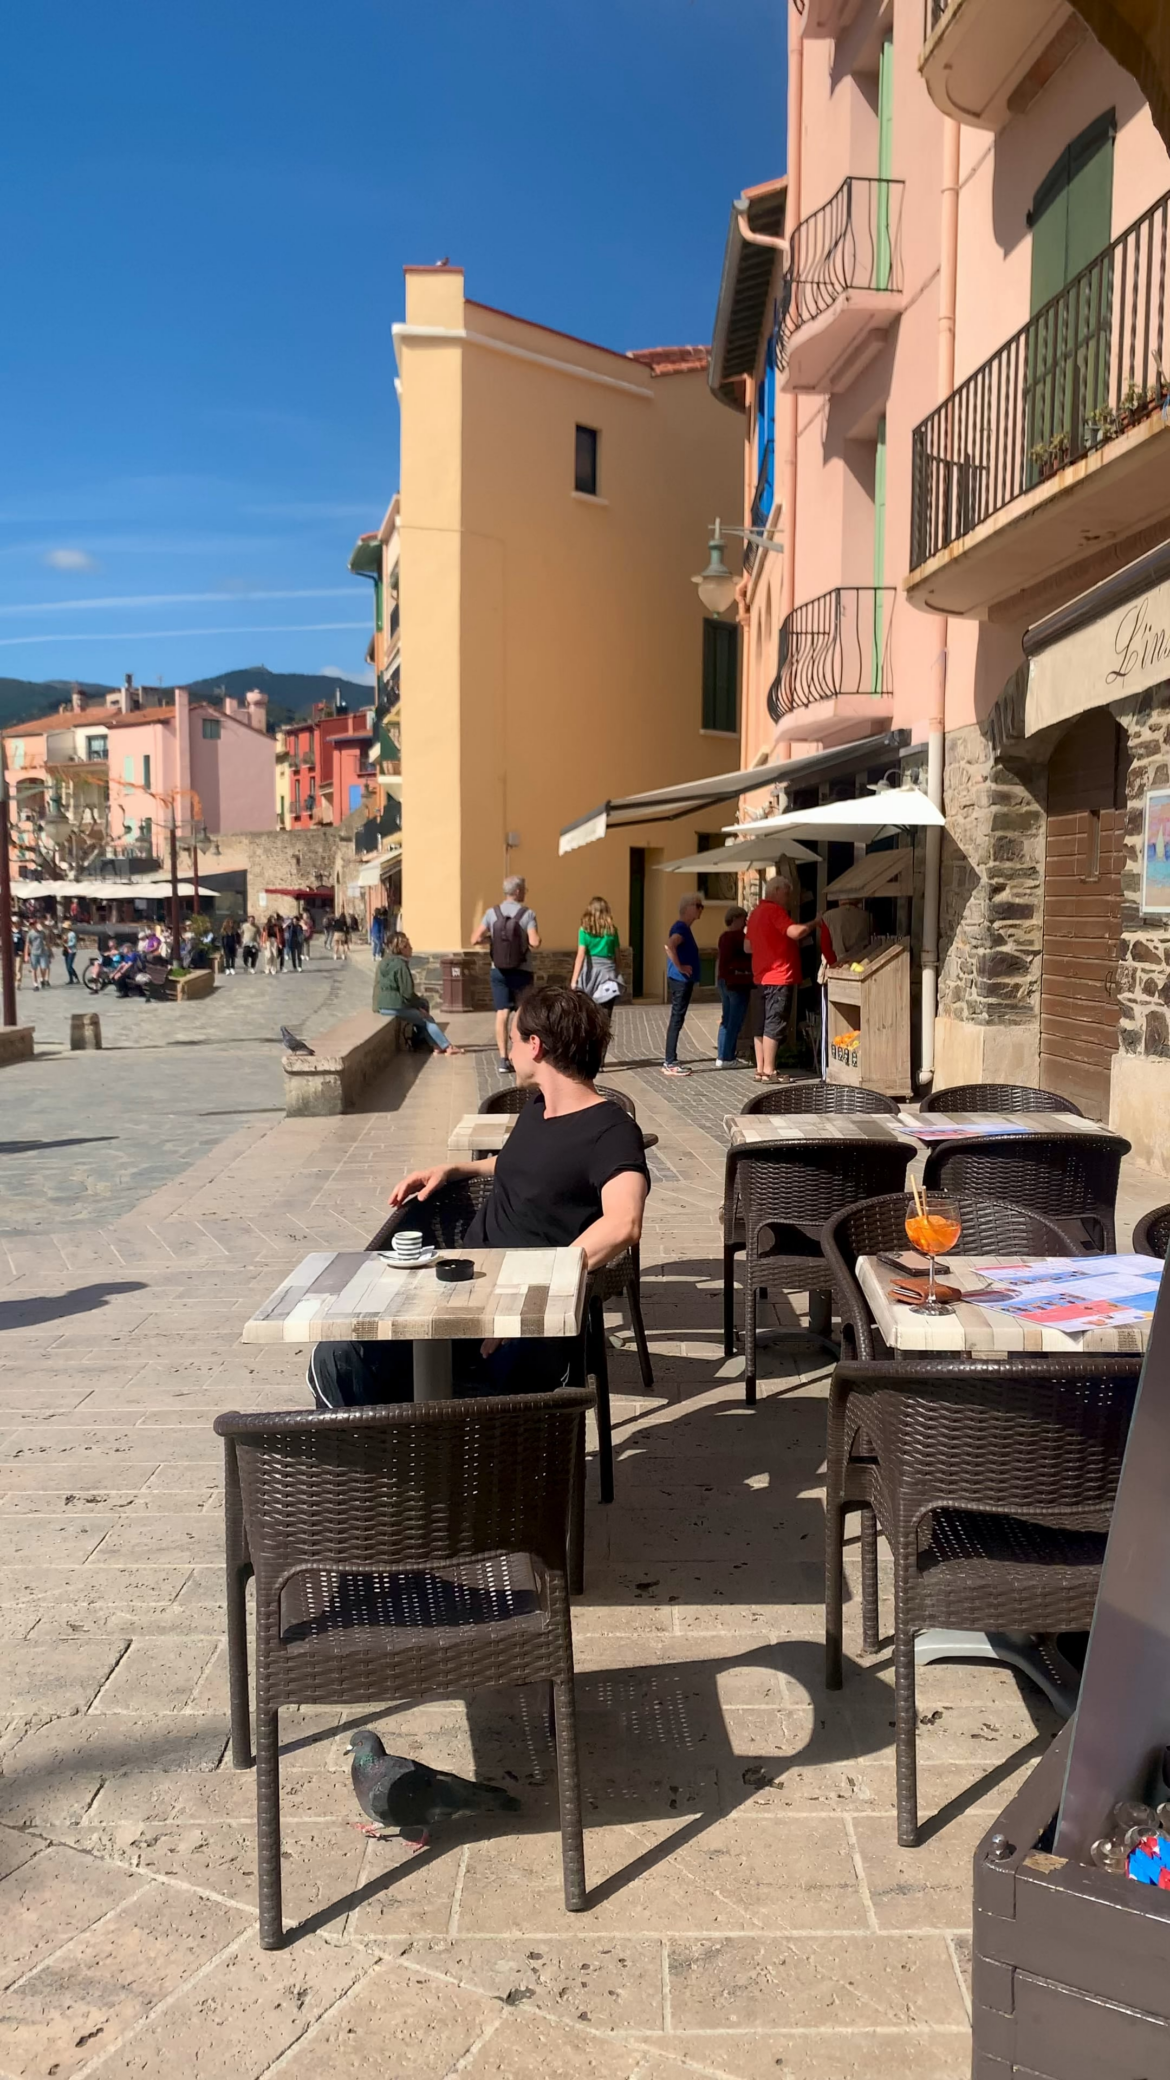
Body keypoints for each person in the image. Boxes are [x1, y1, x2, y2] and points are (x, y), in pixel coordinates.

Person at [307, 984, 649, 1409]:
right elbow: (517, 1165)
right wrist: (455, 1169)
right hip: (463, 1290)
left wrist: (529, 1296)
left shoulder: (611, 1132)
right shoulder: (538, 1109)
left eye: (513, 1039)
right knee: (338, 1357)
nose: (507, 1049)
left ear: (536, 1045)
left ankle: (455, 1460)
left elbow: (624, 1222)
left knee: (507, 1382)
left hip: (524, 1316)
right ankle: (384, 1469)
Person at [745, 875, 821, 1082]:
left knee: (760, 1023)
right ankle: (770, 1070)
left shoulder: (755, 914)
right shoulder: (775, 911)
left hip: (760, 976)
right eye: (787, 894)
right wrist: (815, 922)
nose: (789, 899)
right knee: (775, 1021)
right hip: (779, 976)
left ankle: (760, 1069)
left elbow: (747, 946)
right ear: (777, 891)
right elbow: (795, 932)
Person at [472, 875, 541, 1075]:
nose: (525, 893)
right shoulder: (528, 914)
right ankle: (519, 1055)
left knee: (502, 1013)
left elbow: (475, 939)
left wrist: (492, 940)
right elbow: (535, 942)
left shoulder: (491, 913)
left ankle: (503, 1060)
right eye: (525, 890)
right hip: (522, 970)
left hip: (498, 971)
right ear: (518, 891)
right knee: (521, 1013)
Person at [373, 932, 465, 1055]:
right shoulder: (401, 966)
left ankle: (434, 1044)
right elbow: (407, 993)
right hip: (394, 1005)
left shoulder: (385, 963)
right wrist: (418, 1007)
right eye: (409, 946)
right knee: (427, 1018)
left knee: (423, 1005)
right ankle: (446, 1046)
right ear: (402, 949)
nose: (412, 949)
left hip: (382, 1004)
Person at [661, 894, 703, 1076]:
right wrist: (680, 967)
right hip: (680, 980)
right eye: (698, 905)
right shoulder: (680, 928)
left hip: (682, 980)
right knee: (676, 1018)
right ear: (688, 908)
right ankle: (670, 1061)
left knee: (678, 1018)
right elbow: (669, 945)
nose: (701, 909)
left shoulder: (684, 928)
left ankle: (670, 1059)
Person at [570, 896, 622, 1024]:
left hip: (590, 976)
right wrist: (618, 973)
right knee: (605, 1017)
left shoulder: (584, 930)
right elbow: (617, 955)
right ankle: (603, 1042)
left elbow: (580, 956)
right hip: (608, 976)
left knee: (587, 1015)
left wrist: (574, 980)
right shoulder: (612, 930)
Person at [715, 905, 753, 1067]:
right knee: (735, 1021)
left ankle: (721, 1056)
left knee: (726, 1019)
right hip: (737, 982)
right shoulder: (738, 937)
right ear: (737, 919)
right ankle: (728, 1057)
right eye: (744, 919)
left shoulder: (723, 937)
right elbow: (751, 950)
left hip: (724, 980)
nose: (745, 922)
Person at [27, 923, 51, 990]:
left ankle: (41, 979)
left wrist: (50, 951)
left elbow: (47, 942)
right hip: (34, 953)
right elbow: (27, 944)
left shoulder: (43, 933)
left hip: (43, 952)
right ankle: (35, 984)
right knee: (34, 969)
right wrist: (27, 954)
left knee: (44, 967)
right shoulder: (30, 934)